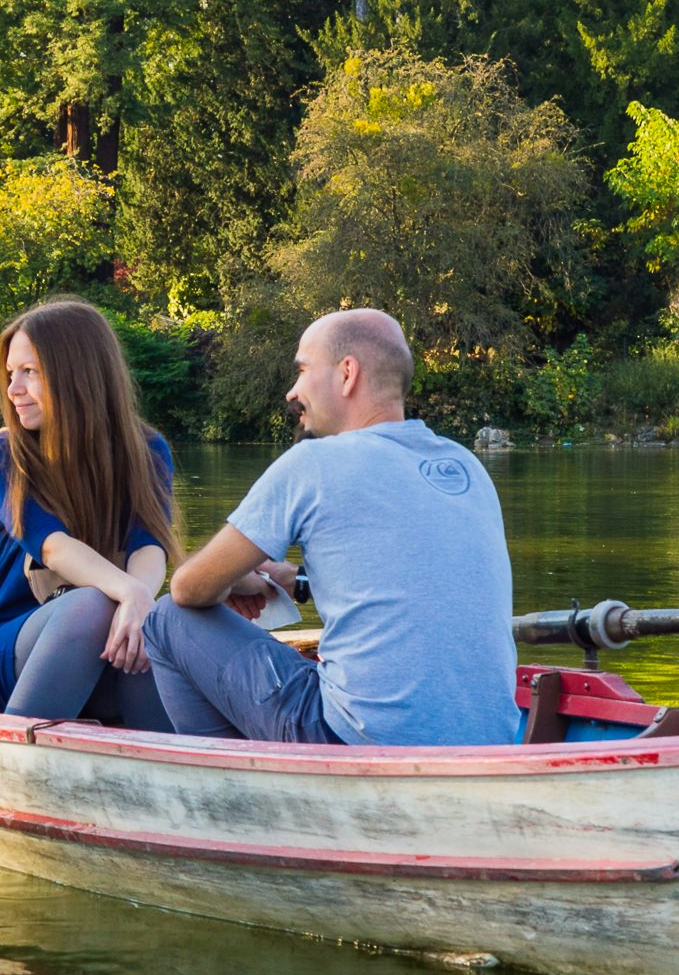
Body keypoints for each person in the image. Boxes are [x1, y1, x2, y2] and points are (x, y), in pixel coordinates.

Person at [144, 308, 516, 746]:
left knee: (167, 617)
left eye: (302, 370)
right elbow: (408, 581)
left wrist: (233, 581)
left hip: (352, 739)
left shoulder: (313, 464)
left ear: (346, 374)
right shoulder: (464, 464)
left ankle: (226, 785)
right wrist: (295, 580)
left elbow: (189, 588)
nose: (291, 392)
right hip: (489, 738)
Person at [0, 298, 181, 730]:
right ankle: (15, 768)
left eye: (30, 372)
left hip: (103, 645)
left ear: (77, 375)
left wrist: (138, 605)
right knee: (93, 606)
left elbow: (149, 545)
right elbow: (54, 548)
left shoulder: (147, 451)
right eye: (11, 375)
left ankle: (172, 776)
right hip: (8, 648)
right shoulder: (4, 455)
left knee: (160, 625)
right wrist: (131, 594)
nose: (13, 390)